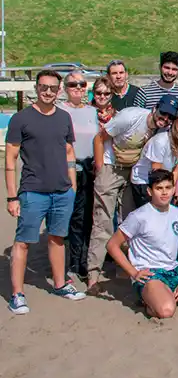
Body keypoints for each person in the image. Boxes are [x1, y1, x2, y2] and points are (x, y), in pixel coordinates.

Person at [5, 70, 85, 314]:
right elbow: (11, 158)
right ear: (36, 88)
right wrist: (12, 196)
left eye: (52, 88)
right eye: (43, 87)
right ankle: (17, 294)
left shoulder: (63, 118)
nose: (48, 92)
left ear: (59, 90)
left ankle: (60, 283)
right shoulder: (21, 119)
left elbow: (69, 152)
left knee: (56, 238)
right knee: (23, 242)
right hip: (32, 192)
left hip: (62, 191)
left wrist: (72, 186)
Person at [106, 169, 178, 318]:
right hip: (151, 273)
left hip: (174, 269)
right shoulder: (139, 216)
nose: (164, 193)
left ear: (174, 189)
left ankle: (173, 292)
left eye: (168, 188)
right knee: (166, 310)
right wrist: (134, 273)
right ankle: (150, 299)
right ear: (149, 191)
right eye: (159, 188)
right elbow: (112, 245)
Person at [87, 96, 177, 291]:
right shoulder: (130, 117)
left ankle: (124, 269)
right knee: (103, 220)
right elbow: (99, 138)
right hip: (112, 166)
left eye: (170, 117)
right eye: (163, 113)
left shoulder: (162, 129)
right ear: (155, 108)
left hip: (134, 172)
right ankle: (93, 275)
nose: (166, 119)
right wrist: (100, 167)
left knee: (129, 222)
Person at [59, 72, 100, 283]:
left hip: (89, 168)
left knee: (87, 218)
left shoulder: (92, 112)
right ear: (65, 87)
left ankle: (84, 260)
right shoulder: (60, 111)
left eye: (82, 84)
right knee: (73, 218)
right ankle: (74, 262)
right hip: (68, 169)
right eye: (73, 84)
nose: (78, 87)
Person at [130, 108, 178, 208]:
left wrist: (171, 189)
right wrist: (166, 191)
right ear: (174, 121)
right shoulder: (161, 141)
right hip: (145, 181)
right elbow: (156, 170)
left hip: (164, 179)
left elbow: (176, 169)